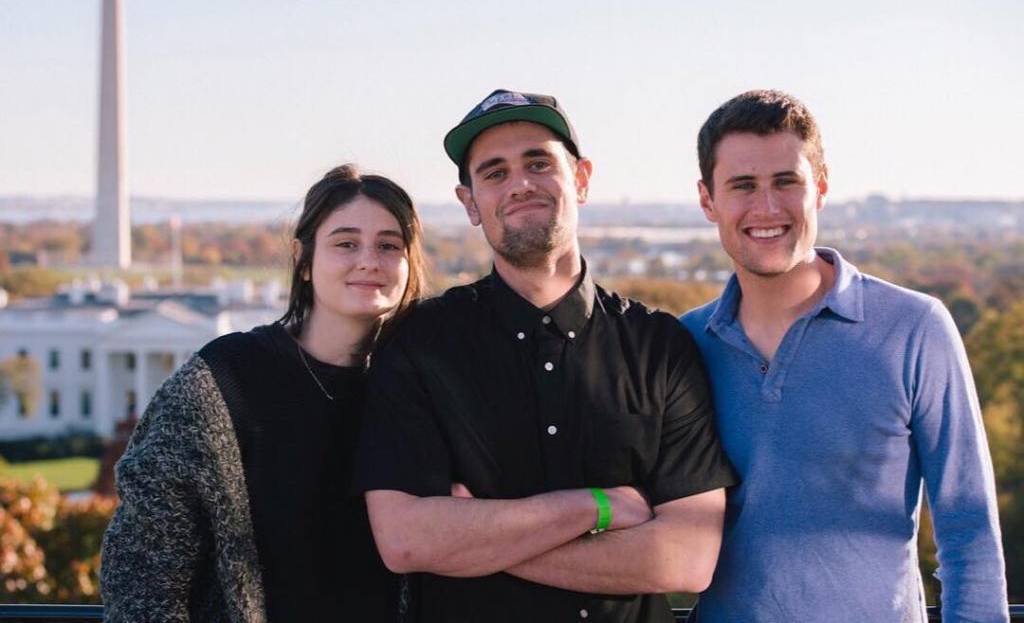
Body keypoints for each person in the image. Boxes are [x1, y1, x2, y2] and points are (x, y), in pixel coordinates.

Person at [355, 89, 738, 623]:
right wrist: (598, 508)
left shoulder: (661, 348)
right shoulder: (420, 346)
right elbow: (406, 542)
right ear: (469, 202)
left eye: (539, 163)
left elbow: (687, 558)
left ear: (580, 179)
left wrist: (478, 540)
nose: (520, 184)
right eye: (494, 172)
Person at [680, 89, 1009, 622]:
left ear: (822, 187)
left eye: (786, 182)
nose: (767, 208)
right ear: (707, 200)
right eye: (743, 186)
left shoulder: (914, 328)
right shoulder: (683, 344)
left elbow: (968, 527)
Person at [100, 165, 427, 622]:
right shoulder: (220, 381)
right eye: (346, 243)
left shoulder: (419, 388)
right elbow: (142, 581)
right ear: (303, 258)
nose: (369, 260)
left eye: (389, 245)